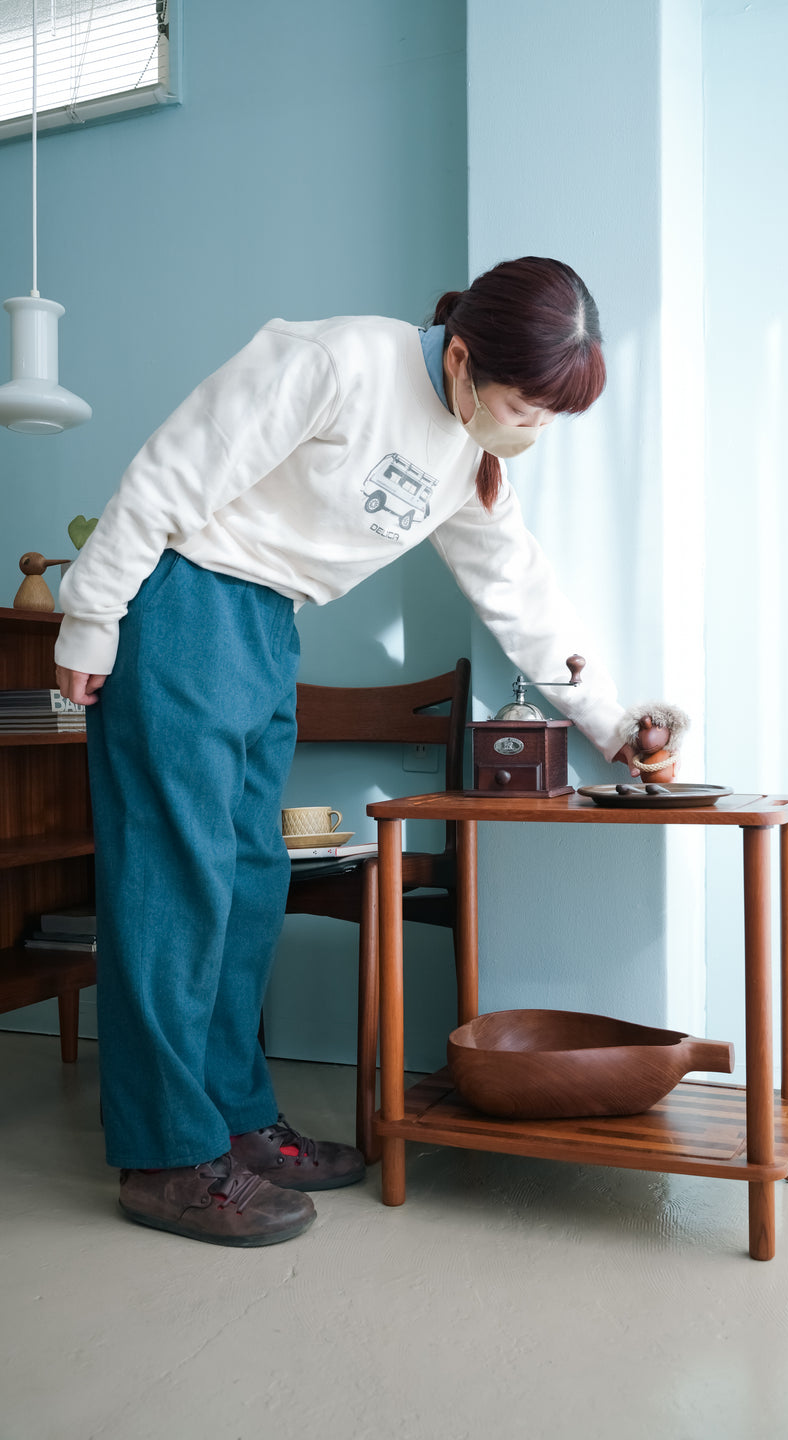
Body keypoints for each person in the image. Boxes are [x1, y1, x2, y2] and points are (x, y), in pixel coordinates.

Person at [53, 256, 674, 1247]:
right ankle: (165, 1154)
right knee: (176, 885)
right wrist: (89, 620)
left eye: (552, 419)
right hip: (183, 600)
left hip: (265, 628)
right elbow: (170, 470)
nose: (532, 431)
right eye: (526, 406)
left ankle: (238, 1122)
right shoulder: (337, 359)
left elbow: (520, 589)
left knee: (251, 883)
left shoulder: (470, 456)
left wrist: (611, 723)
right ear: (465, 357)